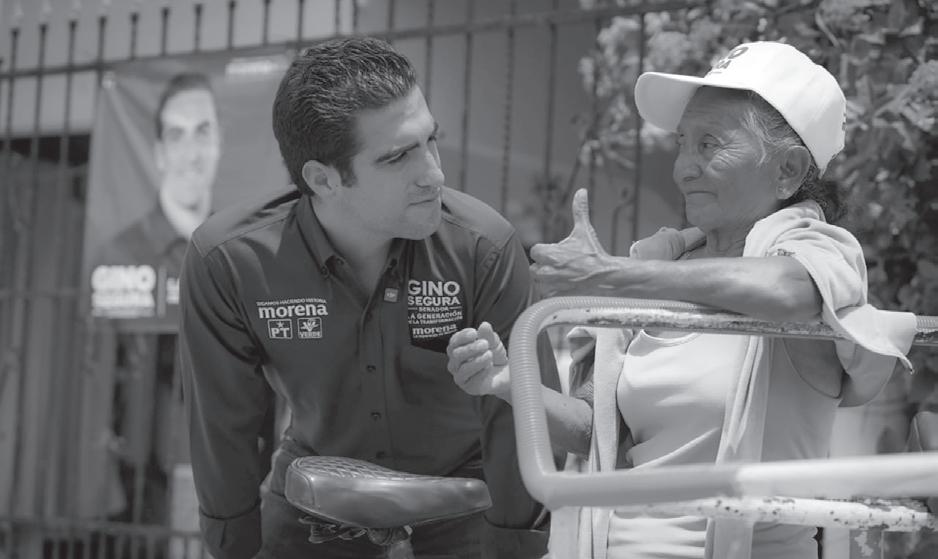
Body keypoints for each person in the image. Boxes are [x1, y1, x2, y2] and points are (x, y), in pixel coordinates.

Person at [446, 41, 916, 559]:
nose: (683, 169)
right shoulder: (661, 264)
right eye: (682, 144)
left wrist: (614, 274)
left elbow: (792, 292)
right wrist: (506, 382)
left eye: (709, 144)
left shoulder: (820, 257)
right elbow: (597, 433)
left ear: (787, 169)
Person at [178, 37, 555, 559]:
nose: (434, 173)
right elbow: (225, 429)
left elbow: (523, 421)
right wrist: (233, 549)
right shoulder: (229, 262)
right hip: (314, 496)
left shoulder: (484, 247)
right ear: (323, 179)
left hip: (465, 499)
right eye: (398, 156)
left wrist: (518, 547)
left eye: (430, 140)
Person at [90, 72, 221, 321]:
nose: (192, 155)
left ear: (219, 142)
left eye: (203, 132)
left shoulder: (236, 249)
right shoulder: (116, 255)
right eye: (176, 136)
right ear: (160, 154)